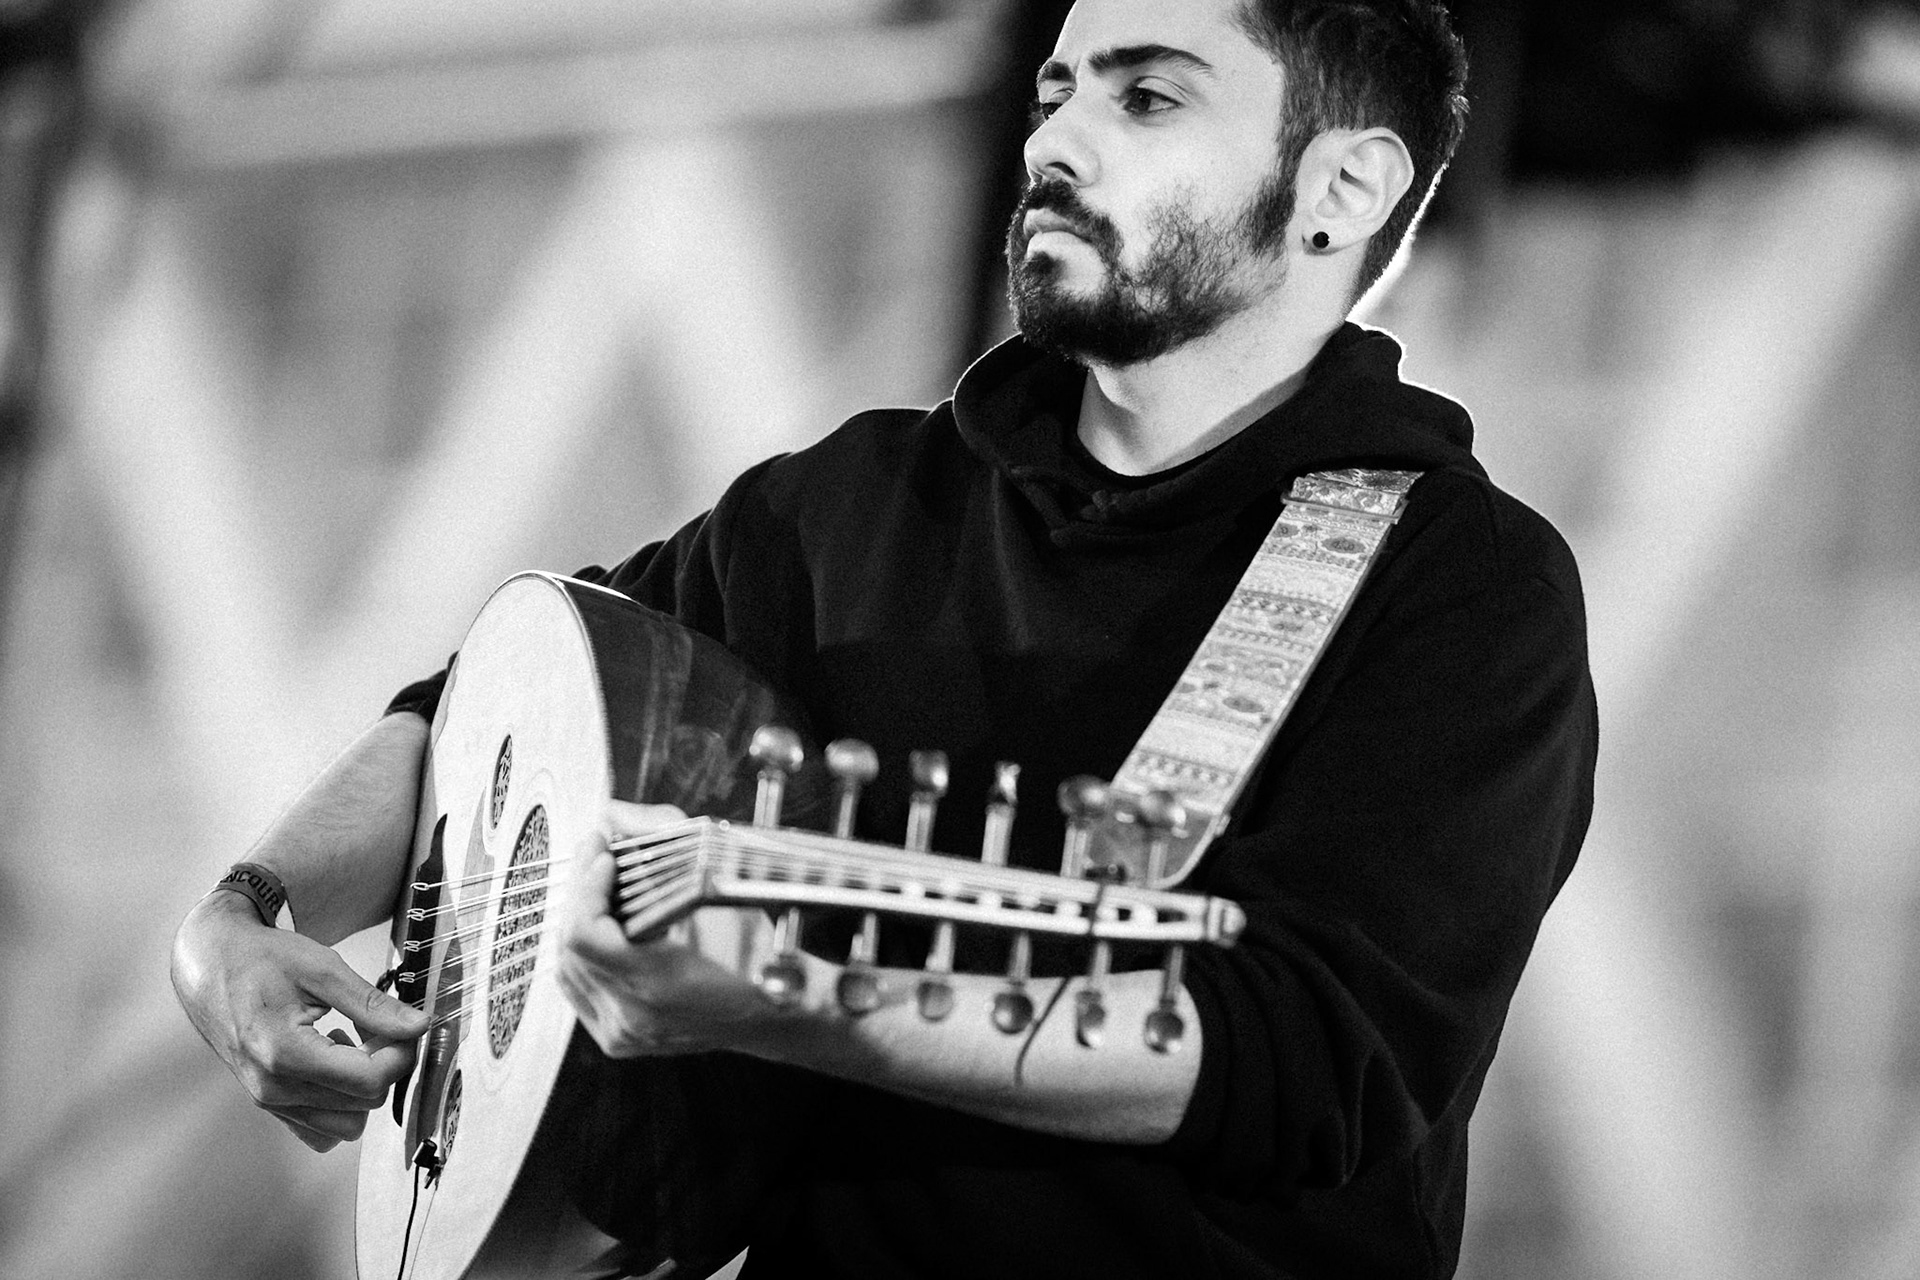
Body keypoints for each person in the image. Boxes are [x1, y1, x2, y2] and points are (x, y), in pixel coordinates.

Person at [171, 0, 1597, 1276]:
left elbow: (1314, 1060)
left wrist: (789, 1002)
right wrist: (241, 919)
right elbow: (497, 700)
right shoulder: (853, 502)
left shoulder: (1458, 585)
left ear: (1345, 184)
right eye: (1056, 92)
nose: (1061, 141)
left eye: (1146, 97)